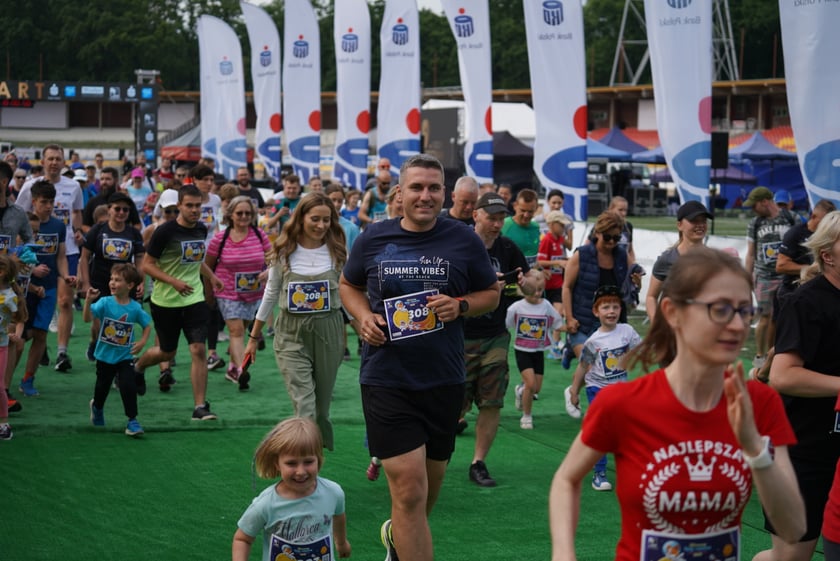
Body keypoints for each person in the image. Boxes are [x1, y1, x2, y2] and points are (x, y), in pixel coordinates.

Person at [549, 247, 806, 561]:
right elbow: (565, 479)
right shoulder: (622, 403)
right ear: (672, 312)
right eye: (720, 309)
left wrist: (755, 449)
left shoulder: (758, 402)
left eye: (743, 311)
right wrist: (563, 553)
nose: (739, 326)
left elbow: (793, 530)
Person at [339, 153, 500, 561]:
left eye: (433, 188)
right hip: (386, 377)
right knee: (409, 491)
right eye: (416, 187)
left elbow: (490, 295)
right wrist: (363, 317)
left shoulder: (463, 239)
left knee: (425, 493)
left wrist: (460, 305)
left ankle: (398, 537)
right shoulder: (372, 237)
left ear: (444, 194)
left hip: (444, 379)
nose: (424, 195)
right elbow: (348, 284)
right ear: (400, 192)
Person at [756, 210, 840, 561]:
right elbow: (783, 375)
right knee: (791, 556)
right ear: (828, 255)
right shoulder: (806, 301)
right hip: (804, 450)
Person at [246, 193, 347, 450]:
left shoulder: (336, 250)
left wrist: (364, 324)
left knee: (321, 411)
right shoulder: (284, 250)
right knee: (305, 404)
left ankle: (314, 463)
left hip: (328, 332)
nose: (322, 225)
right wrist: (253, 337)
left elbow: (347, 293)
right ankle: (303, 463)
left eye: (327, 220)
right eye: (315, 219)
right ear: (301, 218)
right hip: (291, 334)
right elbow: (270, 293)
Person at [460, 191, 537, 487]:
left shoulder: (508, 248)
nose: (496, 224)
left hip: (495, 336)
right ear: (476, 215)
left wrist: (524, 284)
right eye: (491, 218)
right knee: (455, 403)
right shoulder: (460, 245)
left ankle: (478, 462)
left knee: (492, 400)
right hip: (460, 336)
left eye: (500, 218)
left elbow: (530, 285)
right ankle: (435, 454)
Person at [132, 184, 223, 421]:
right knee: (166, 352)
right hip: (165, 301)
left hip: (194, 299)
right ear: (179, 206)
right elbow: (147, 265)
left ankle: (200, 406)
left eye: (198, 206)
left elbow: (196, 259)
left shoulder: (201, 229)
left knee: (198, 349)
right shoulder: (164, 232)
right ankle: (138, 367)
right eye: (189, 206)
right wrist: (173, 282)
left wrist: (211, 277)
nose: (194, 210)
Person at [232, 417, 351, 561]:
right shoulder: (266, 504)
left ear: (318, 459)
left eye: (308, 461)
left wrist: (341, 542)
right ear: (277, 464)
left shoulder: (333, 492)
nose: (300, 471)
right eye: (291, 463)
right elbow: (242, 539)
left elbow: (338, 516)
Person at [564, 285, 641, 491]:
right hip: (597, 389)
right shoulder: (593, 341)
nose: (612, 311)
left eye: (615, 307)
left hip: (621, 391)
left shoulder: (627, 331)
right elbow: (583, 367)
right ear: (596, 312)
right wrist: (574, 390)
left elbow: (639, 350)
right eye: (606, 307)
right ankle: (599, 473)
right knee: (603, 431)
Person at [15, 144, 84, 373]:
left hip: (67, 249)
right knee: (33, 299)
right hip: (36, 251)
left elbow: (76, 212)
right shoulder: (29, 186)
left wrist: (77, 229)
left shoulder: (73, 186)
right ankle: (39, 335)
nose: (54, 162)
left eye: (58, 159)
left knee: (65, 301)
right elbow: (20, 215)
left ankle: (62, 352)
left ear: (64, 162)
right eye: (50, 158)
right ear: (43, 161)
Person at [205, 196, 271, 390]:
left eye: (247, 213)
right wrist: (209, 293)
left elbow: (273, 259)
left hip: (253, 293)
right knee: (237, 331)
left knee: (243, 328)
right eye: (239, 213)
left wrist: (268, 271)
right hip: (227, 291)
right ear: (230, 215)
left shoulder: (260, 235)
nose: (243, 216)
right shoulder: (220, 238)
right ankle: (243, 371)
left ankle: (233, 366)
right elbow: (208, 266)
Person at [17, 181, 75, 397]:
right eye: (44, 202)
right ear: (34, 202)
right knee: (18, 338)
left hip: (49, 288)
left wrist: (65, 274)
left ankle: (28, 379)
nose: (49, 206)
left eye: (51, 202)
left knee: (41, 334)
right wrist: (32, 271)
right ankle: (6, 384)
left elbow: (60, 256)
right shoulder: (22, 224)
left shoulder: (58, 226)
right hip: (22, 288)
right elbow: (14, 257)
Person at [83, 264, 152, 437]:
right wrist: (88, 300)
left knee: (128, 384)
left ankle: (132, 421)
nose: (112, 283)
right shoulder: (105, 303)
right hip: (105, 356)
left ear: (130, 286)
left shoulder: (135, 307)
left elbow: (147, 325)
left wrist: (143, 342)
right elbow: (86, 318)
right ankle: (97, 407)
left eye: (118, 280)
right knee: (102, 387)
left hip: (125, 356)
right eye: (111, 279)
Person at [78, 192, 146, 361]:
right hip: (100, 280)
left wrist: (140, 282)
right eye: (117, 209)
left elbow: (139, 260)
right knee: (99, 323)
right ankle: (96, 343)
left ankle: (118, 361)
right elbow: (84, 257)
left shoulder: (133, 233)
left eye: (125, 210)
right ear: (109, 210)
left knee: (122, 322)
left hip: (124, 283)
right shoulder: (98, 230)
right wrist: (86, 283)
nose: (121, 212)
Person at [563, 211, 638, 362]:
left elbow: (633, 283)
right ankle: (572, 347)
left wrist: (636, 283)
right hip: (583, 324)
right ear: (597, 233)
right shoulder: (581, 255)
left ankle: (573, 386)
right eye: (607, 237)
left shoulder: (622, 256)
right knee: (591, 368)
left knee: (604, 369)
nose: (611, 242)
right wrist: (569, 318)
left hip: (612, 324)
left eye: (616, 238)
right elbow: (567, 287)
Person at [744, 186, 797, 370]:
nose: (752, 209)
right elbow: (750, 253)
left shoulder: (791, 218)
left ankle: (779, 354)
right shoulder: (755, 223)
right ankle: (760, 355)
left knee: (786, 317)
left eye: (754, 205)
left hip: (788, 277)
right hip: (764, 276)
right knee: (765, 316)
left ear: (765, 202)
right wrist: (747, 275)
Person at [507, 269, 563, 430]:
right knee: (531, 384)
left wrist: (569, 327)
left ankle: (521, 391)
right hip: (522, 351)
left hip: (538, 351)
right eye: (533, 290)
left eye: (540, 290)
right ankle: (526, 415)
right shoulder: (516, 307)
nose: (537, 293)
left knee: (535, 388)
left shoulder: (545, 305)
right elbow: (508, 323)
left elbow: (557, 322)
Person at [645, 201, 713, 323]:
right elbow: (651, 297)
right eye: (694, 221)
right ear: (679, 225)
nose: (700, 225)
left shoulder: (714, 260)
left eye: (703, 221)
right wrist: (657, 325)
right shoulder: (667, 259)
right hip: (672, 330)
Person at [0, 255, 27, 441]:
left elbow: (19, 318)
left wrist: (13, 334)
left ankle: (3, 423)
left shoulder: (9, 297)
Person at [537, 210, 572, 330]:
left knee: (558, 314)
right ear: (551, 224)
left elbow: (559, 257)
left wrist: (567, 260)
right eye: (561, 225)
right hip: (547, 284)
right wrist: (558, 262)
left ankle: (556, 343)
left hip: (558, 283)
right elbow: (540, 261)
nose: (563, 228)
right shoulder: (546, 240)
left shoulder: (560, 240)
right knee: (544, 316)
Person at [501, 188, 540, 265]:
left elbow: (534, 257)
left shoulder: (536, 227)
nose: (526, 215)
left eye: (530, 211)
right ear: (515, 206)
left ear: (536, 208)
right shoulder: (503, 225)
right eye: (523, 210)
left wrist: (541, 269)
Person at [607, 196, 635, 263]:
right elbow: (588, 245)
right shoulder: (603, 225)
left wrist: (633, 265)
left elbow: (630, 249)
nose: (623, 213)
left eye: (625, 210)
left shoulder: (628, 226)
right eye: (620, 210)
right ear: (611, 209)